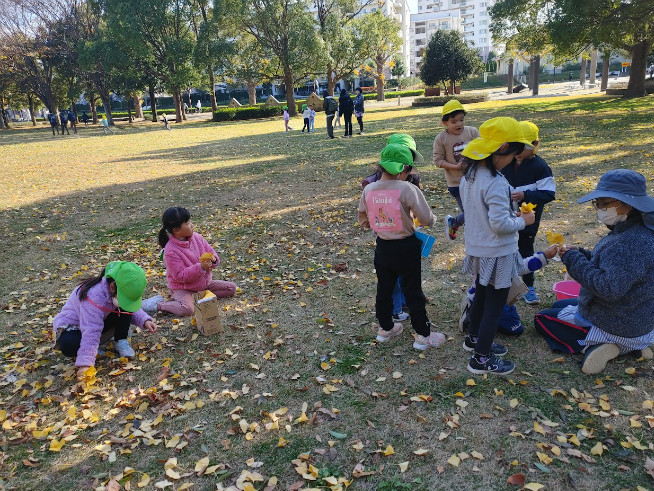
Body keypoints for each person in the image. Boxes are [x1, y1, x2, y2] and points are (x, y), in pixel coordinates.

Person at [460, 117, 558, 375]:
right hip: (497, 252)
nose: (513, 161)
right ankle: (481, 359)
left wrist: (511, 218)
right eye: (513, 155)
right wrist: (523, 220)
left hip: (478, 248)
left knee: (482, 294)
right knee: (495, 305)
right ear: (502, 149)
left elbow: (479, 215)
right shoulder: (495, 182)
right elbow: (500, 225)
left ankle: (473, 339)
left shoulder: (469, 175)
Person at [535, 170, 654, 374]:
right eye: (597, 203)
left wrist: (573, 260)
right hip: (638, 319)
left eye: (603, 203)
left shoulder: (627, 243)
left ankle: (601, 346)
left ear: (626, 204)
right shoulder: (639, 232)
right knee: (560, 304)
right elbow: (617, 269)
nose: (598, 208)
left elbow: (608, 288)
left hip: (617, 323)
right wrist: (582, 253)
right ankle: (636, 346)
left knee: (543, 318)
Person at [358, 144, 446, 351]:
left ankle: (386, 328)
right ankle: (423, 335)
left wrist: (381, 225)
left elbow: (363, 219)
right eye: (410, 169)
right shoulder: (407, 188)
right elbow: (427, 218)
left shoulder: (369, 189)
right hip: (406, 246)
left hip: (383, 246)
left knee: (384, 288)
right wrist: (424, 219)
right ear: (403, 169)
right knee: (412, 290)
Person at [53, 261, 158, 378]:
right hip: (75, 327)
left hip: (101, 321)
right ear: (112, 287)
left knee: (124, 307)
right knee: (69, 345)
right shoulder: (93, 297)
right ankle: (89, 350)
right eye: (124, 297)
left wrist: (144, 320)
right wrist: (86, 363)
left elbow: (131, 307)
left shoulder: (115, 291)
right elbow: (91, 330)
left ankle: (120, 339)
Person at [362, 134, 424, 322]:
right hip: (392, 237)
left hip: (403, 233)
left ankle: (399, 308)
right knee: (391, 281)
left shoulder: (412, 178)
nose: (409, 168)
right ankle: (397, 311)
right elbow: (368, 214)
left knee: (403, 279)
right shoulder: (371, 184)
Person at [141, 207, 237, 317]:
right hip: (183, 289)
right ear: (176, 230)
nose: (191, 225)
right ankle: (159, 305)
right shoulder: (170, 251)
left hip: (204, 285)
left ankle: (197, 298)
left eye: (190, 221)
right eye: (187, 223)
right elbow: (180, 276)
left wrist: (213, 259)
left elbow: (211, 252)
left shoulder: (197, 237)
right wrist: (201, 268)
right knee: (187, 309)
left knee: (231, 288)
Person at [500, 121, 555, 304]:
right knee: (508, 250)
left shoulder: (540, 166)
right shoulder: (507, 164)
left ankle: (529, 287)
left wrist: (526, 195)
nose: (517, 152)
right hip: (508, 218)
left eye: (521, 147)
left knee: (525, 250)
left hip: (528, 220)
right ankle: (508, 283)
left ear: (534, 145)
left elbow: (548, 193)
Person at [433, 100, 480, 241]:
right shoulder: (441, 138)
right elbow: (437, 161)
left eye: (461, 120)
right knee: (471, 213)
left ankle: (455, 222)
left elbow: (482, 149)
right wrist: (455, 167)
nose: (459, 124)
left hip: (476, 179)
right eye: (454, 121)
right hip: (456, 183)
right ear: (445, 123)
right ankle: (456, 224)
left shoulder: (472, 132)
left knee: (479, 210)